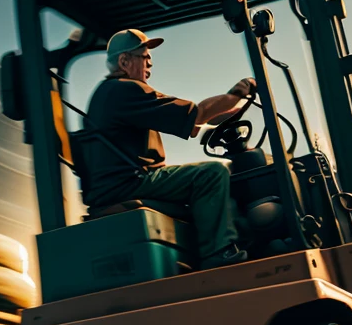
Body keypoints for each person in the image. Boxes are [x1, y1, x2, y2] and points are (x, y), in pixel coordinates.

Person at [82, 29, 256, 269]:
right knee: (211, 174)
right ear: (124, 61)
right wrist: (238, 91)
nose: (150, 62)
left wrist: (231, 111)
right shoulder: (125, 89)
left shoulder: (112, 94)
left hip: (124, 181)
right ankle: (220, 253)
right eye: (144, 56)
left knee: (207, 177)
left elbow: (196, 123)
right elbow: (198, 112)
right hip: (132, 182)